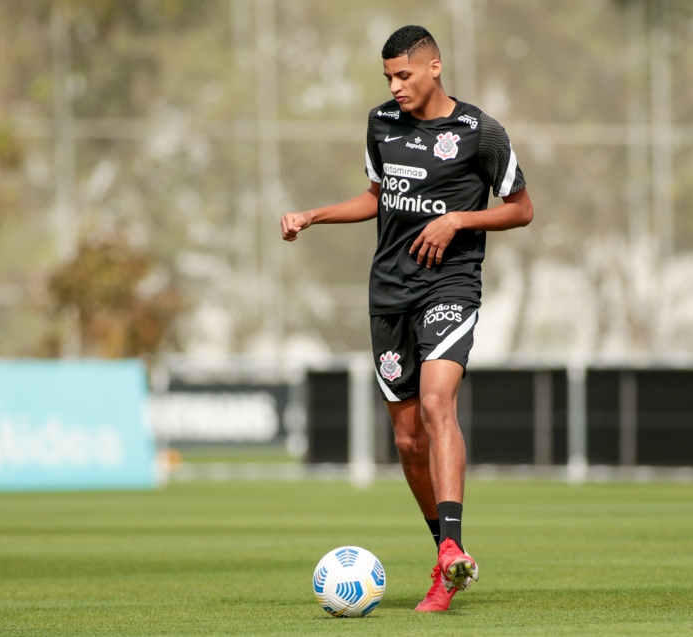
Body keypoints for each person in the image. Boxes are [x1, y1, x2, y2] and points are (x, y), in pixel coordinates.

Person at [281, 25, 532, 612]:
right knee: (405, 437)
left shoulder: (480, 133)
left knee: (438, 403)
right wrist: (314, 214)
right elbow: (378, 197)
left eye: (404, 75)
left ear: (434, 67)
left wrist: (458, 221)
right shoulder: (380, 124)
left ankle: (448, 560)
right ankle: (448, 552)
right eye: (388, 77)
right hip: (389, 292)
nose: (394, 87)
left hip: (450, 285)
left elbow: (520, 209)